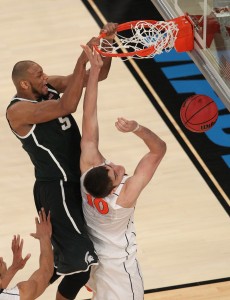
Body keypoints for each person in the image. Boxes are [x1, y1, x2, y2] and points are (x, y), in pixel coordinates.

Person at [6, 23, 118, 300]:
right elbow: (67, 106)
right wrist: (82, 57)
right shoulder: (18, 111)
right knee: (81, 264)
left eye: (43, 72)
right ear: (24, 84)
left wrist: (106, 45)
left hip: (75, 180)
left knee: (75, 259)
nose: (44, 78)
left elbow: (96, 76)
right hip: (56, 188)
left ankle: (56, 261)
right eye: (38, 75)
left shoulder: (50, 86)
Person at [79, 45, 167, 299]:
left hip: (95, 259)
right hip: (119, 269)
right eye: (116, 174)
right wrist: (137, 128)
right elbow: (157, 151)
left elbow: (89, 115)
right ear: (114, 188)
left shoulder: (88, 175)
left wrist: (94, 71)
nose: (117, 167)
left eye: (109, 167)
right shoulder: (124, 197)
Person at [0, 208, 53, 300]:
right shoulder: (21, 293)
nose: (1, 258)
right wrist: (44, 237)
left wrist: (13, 268)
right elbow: (46, 272)